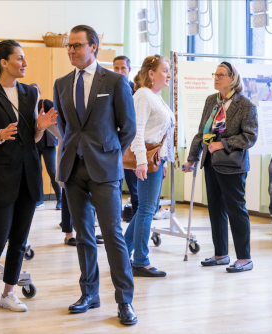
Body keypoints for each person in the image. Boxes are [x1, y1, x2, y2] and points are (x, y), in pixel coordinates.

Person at [53, 25, 137, 325]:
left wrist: (108, 151)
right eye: (69, 46)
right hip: (72, 169)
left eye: (77, 45)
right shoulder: (61, 83)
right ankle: (89, 293)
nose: (72, 50)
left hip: (104, 168)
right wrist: (74, 151)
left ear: (94, 47)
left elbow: (128, 127)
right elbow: (64, 127)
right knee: (84, 235)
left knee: (112, 234)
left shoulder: (114, 81)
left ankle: (124, 300)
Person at [0, 40, 57, 316]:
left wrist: (41, 128)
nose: (24, 63)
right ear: (3, 63)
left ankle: (8, 293)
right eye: (19, 59)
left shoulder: (30, 93)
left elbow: (32, 139)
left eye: (24, 59)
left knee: (20, 240)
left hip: (28, 175)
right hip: (1, 175)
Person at [183, 61, 258, 273]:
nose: (216, 78)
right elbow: (201, 132)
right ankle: (221, 254)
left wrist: (223, 144)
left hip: (233, 166)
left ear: (232, 78)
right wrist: (192, 157)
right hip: (210, 162)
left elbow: (250, 137)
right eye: (214, 74)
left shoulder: (245, 105)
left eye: (221, 75)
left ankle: (244, 258)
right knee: (215, 209)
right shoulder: (211, 101)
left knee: (236, 210)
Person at [124, 55, 175, 278]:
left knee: (147, 207)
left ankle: (122, 252)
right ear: (151, 74)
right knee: (146, 209)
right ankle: (140, 261)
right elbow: (138, 131)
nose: (169, 75)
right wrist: (142, 161)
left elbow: (160, 134)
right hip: (146, 158)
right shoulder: (143, 95)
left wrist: (162, 160)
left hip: (155, 159)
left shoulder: (154, 96)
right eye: (165, 70)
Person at [113, 55, 139, 217]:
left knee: (134, 187)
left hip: (132, 145)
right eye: (116, 68)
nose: (120, 71)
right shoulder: (107, 88)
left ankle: (136, 226)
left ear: (129, 70)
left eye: (123, 68)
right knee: (114, 187)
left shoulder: (137, 92)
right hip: (113, 145)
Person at [30, 83, 62, 210]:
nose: (34, 93)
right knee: (36, 171)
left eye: (36, 91)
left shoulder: (46, 103)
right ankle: (39, 199)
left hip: (48, 143)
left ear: (39, 93)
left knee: (52, 171)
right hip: (34, 143)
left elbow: (57, 117)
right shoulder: (27, 106)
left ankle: (60, 199)